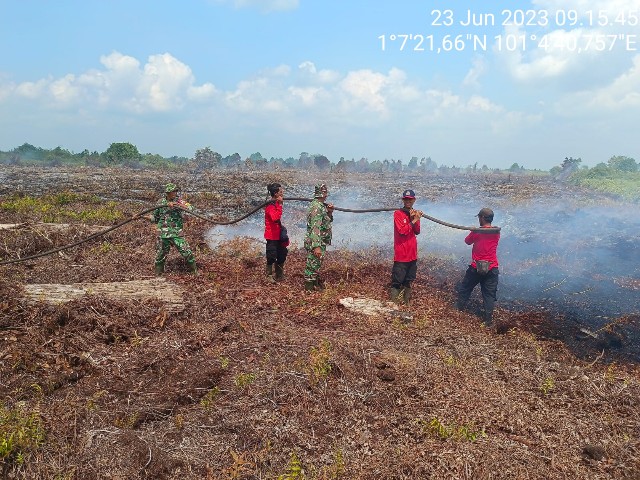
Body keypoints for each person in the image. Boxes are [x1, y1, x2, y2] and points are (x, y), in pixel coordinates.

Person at [455, 207, 501, 326]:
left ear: (482, 218)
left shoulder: (477, 231)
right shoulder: (496, 232)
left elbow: (467, 241)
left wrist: (474, 230)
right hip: (492, 267)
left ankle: (457, 310)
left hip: (476, 267)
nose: (478, 220)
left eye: (479, 217)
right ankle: (488, 320)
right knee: (489, 295)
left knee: (465, 288)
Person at [149, 183, 197, 275]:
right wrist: (140, 217)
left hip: (176, 232)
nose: (175, 193)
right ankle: (158, 275)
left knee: (186, 252)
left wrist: (176, 205)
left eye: (176, 191)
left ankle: (194, 273)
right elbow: (154, 217)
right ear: (168, 193)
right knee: (160, 255)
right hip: (163, 233)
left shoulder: (179, 201)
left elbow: (191, 208)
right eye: (173, 191)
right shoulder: (160, 203)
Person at [390, 189, 422, 305]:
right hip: (401, 254)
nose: (408, 201)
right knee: (397, 281)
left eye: (410, 199)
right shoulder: (398, 214)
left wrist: (415, 219)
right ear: (403, 200)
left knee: (409, 280)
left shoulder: (414, 214)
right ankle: (393, 304)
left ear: (414, 200)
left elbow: (417, 231)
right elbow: (402, 231)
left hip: (412, 254)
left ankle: (406, 302)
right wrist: (415, 220)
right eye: (406, 199)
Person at [303, 183, 334, 291]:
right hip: (315, 241)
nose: (326, 194)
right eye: (325, 192)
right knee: (312, 265)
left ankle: (314, 285)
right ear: (322, 193)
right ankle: (309, 289)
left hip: (320, 240)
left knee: (316, 264)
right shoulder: (316, 207)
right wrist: (316, 246)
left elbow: (324, 223)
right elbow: (315, 227)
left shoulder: (321, 206)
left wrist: (329, 213)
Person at [264, 183, 289, 282]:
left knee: (282, 254)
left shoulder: (276, 203)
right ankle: (269, 276)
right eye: (280, 191)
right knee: (271, 256)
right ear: (275, 193)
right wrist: (280, 205)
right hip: (271, 236)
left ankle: (279, 274)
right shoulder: (270, 205)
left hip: (278, 235)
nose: (282, 193)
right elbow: (275, 218)